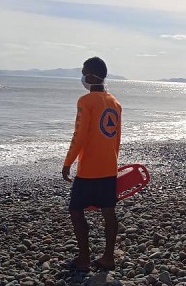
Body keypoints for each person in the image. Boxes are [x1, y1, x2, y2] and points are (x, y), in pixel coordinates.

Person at [62, 57, 122, 271]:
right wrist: (113, 162)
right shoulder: (115, 102)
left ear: (89, 76)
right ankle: (108, 257)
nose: (82, 75)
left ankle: (84, 258)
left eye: (83, 71)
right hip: (109, 167)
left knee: (76, 211)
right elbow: (117, 138)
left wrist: (68, 163)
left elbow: (79, 135)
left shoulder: (85, 102)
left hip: (88, 170)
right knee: (108, 212)